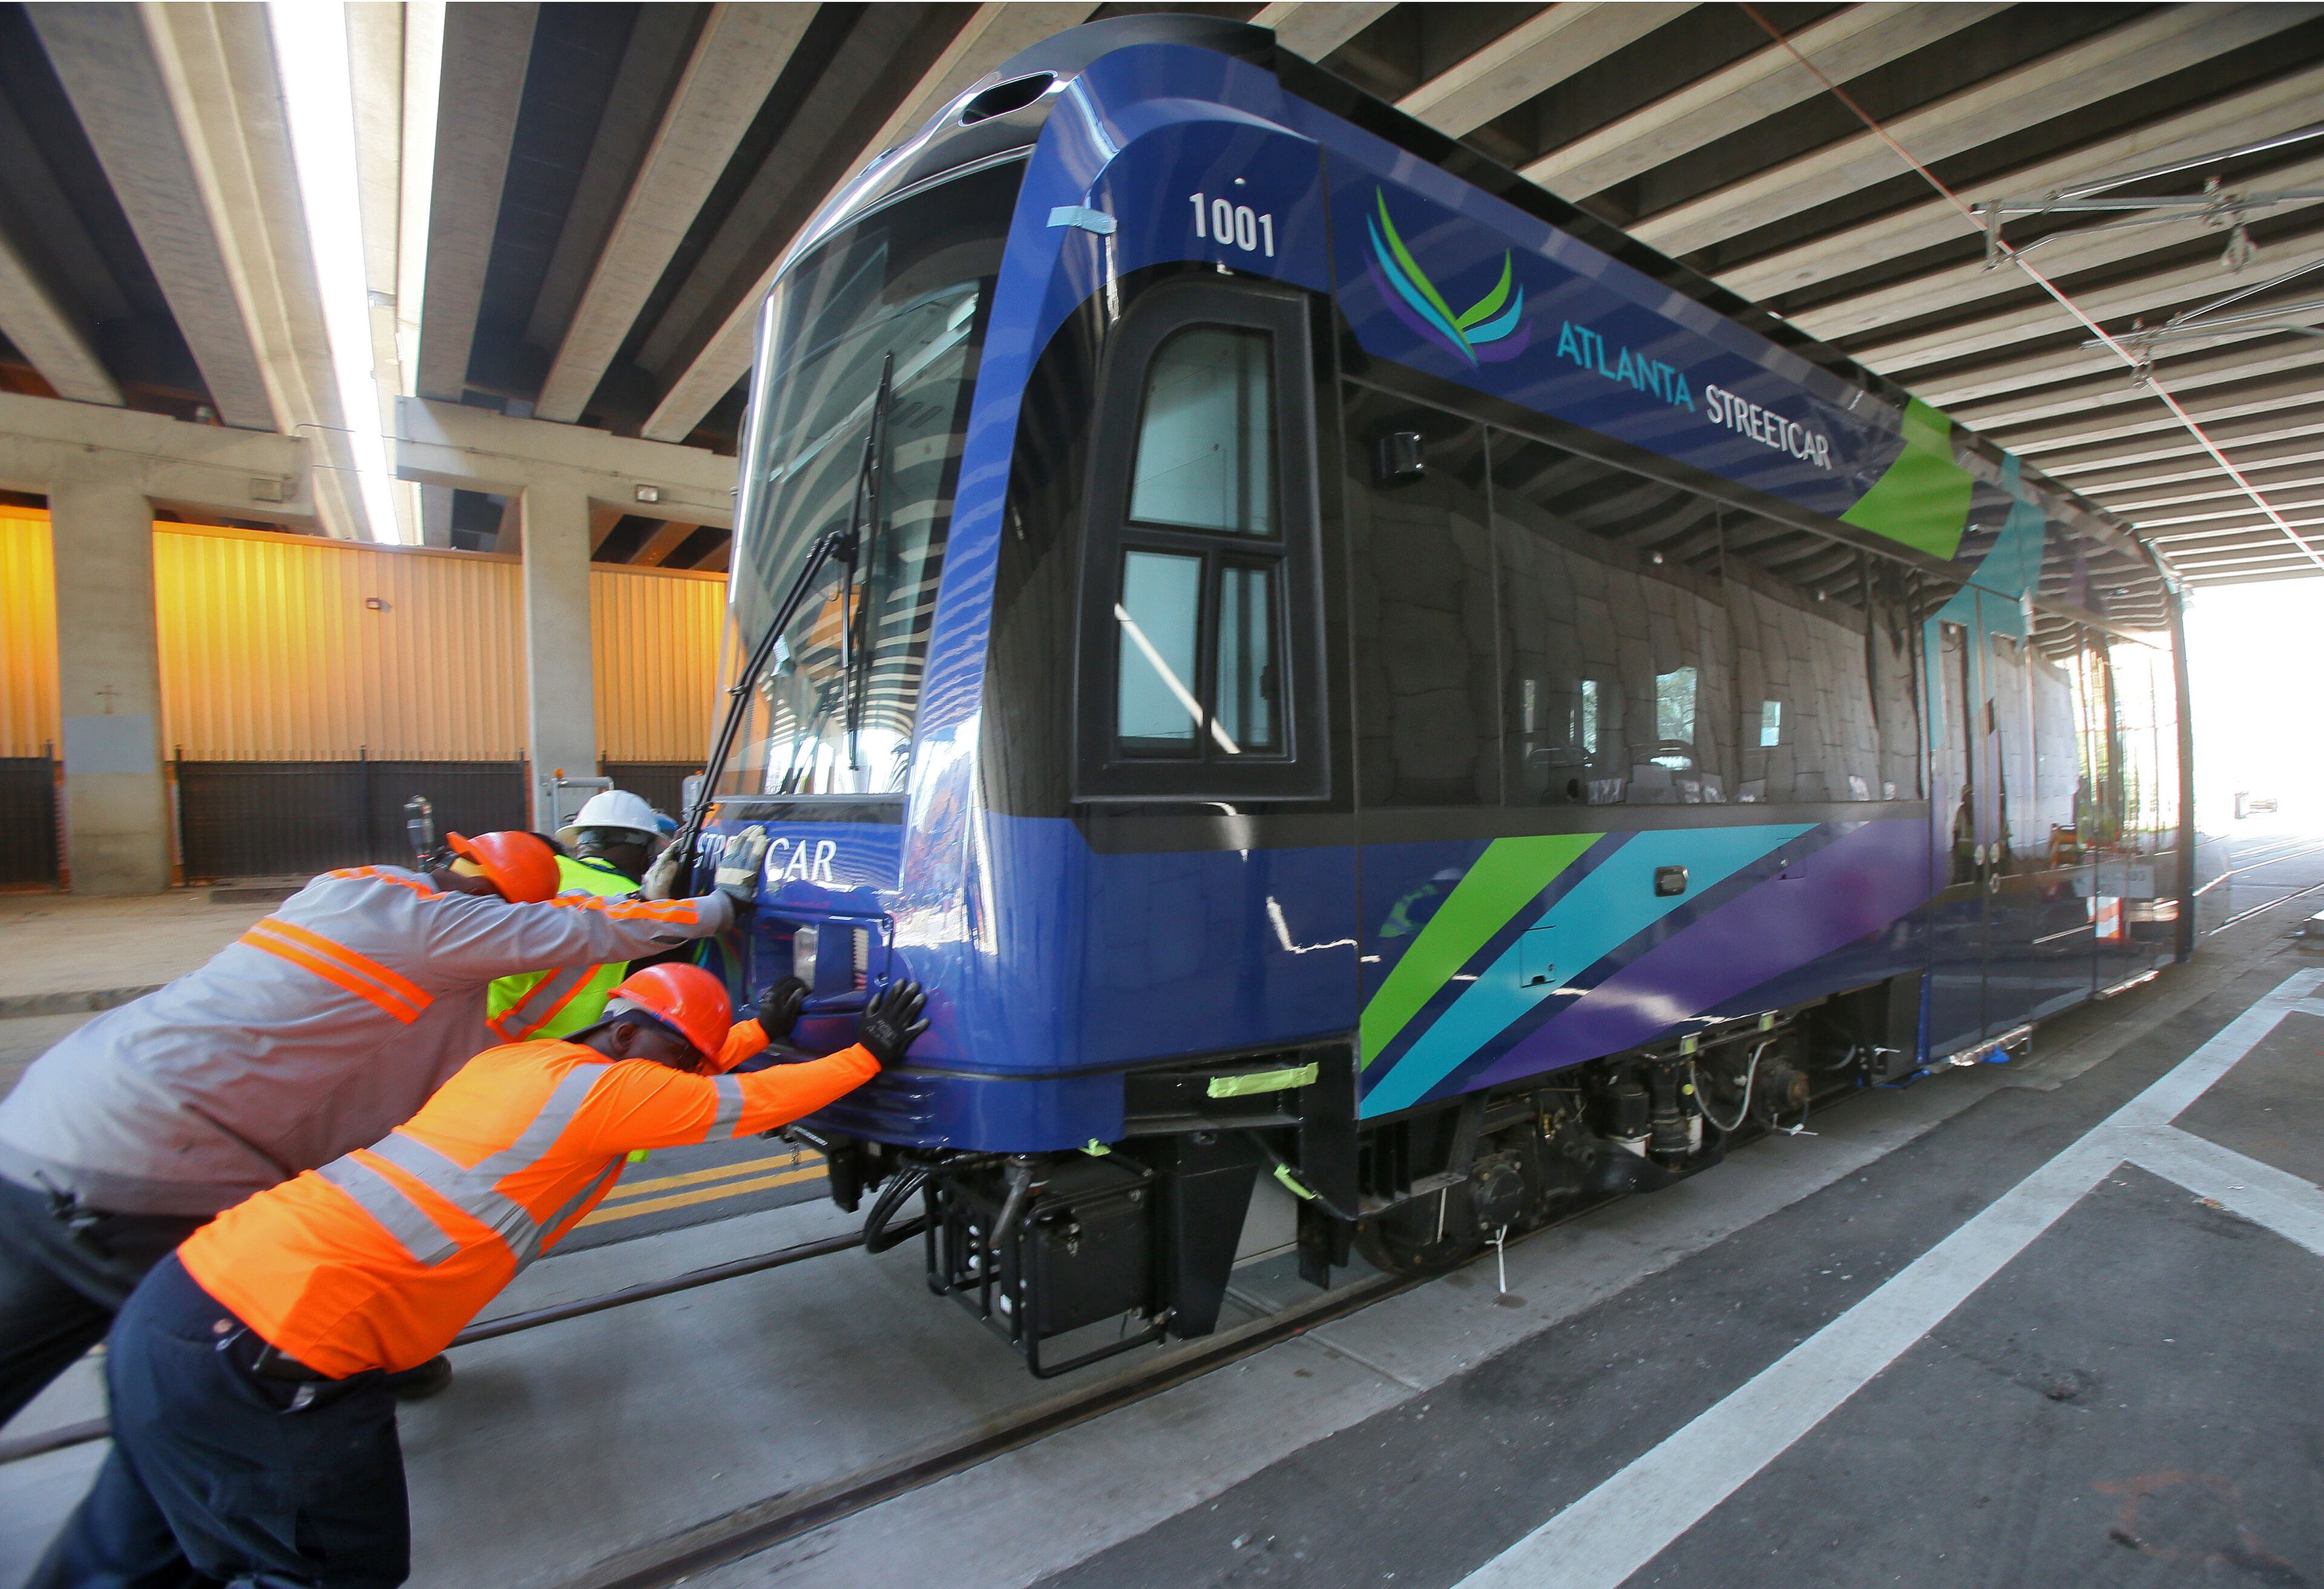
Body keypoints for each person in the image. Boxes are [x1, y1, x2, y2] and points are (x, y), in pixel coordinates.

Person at [30, 967, 925, 1589]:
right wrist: (869, 1055)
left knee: (133, 1561)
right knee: (334, 1570)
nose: (688, 1073)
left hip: (179, 1309)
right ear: (620, 1029)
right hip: (276, 1354)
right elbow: (736, 1102)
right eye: (680, 1054)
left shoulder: (519, 1062)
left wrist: (757, 1031)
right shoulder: (606, 1093)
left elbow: (677, 1080)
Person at [0, 826, 768, 1427]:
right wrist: (715, 908)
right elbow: (587, 933)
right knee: (223, 1389)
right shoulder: (431, 923)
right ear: (491, 904)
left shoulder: (343, 895)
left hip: (52, 1117)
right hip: (158, 1167)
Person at [487, 789, 675, 1043]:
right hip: (553, 1055)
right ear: (645, 850)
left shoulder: (542, 870)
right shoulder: (636, 903)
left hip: (480, 1029)